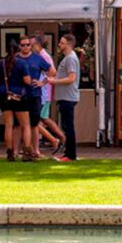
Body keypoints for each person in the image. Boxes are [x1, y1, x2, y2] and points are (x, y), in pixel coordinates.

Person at [15, 35, 54, 159]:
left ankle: (35, 150)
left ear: (31, 46)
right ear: (19, 46)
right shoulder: (15, 58)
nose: (25, 47)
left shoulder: (37, 58)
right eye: (23, 45)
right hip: (19, 95)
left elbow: (52, 71)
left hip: (34, 94)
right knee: (18, 124)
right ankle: (17, 150)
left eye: (28, 45)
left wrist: (42, 82)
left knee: (34, 124)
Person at [47, 34, 81, 162]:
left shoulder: (70, 59)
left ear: (68, 44)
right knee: (66, 125)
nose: (59, 45)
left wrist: (53, 81)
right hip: (65, 97)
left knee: (68, 126)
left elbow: (71, 78)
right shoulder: (67, 58)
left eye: (62, 43)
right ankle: (68, 153)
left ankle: (70, 154)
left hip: (68, 97)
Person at [31, 34, 65, 157]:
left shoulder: (43, 57)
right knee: (42, 119)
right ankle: (60, 138)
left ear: (37, 45)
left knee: (35, 120)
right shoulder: (40, 56)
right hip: (43, 92)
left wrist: (43, 82)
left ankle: (56, 139)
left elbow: (52, 73)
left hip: (43, 93)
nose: (29, 47)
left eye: (31, 44)